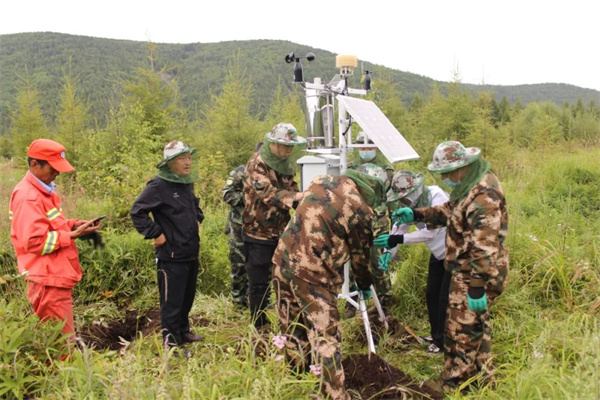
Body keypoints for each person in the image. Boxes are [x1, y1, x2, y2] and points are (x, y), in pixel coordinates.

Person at [390, 141, 509, 391]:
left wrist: (476, 286)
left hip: (476, 272)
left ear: (461, 167)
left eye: (447, 173)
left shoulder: (484, 196)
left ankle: (455, 385)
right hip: (465, 270)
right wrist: (418, 214)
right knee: (476, 327)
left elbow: (484, 246)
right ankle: (483, 380)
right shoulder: (469, 187)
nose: (445, 179)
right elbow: (449, 211)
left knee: (460, 331)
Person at [272, 167, 387, 400]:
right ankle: (333, 394)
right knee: (326, 336)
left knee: (292, 327)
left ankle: (296, 383)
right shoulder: (360, 209)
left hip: (282, 262)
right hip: (314, 274)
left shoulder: (321, 181)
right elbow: (360, 255)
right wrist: (364, 283)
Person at [9, 138, 100, 342]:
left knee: (58, 339)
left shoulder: (43, 191)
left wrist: (73, 225)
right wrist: (71, 235)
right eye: (53, 168)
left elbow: (49, 225)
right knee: (61, 345)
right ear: (35, 164)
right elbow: (34, 241)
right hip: (46, 280)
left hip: (53, 275)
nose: (57, 173)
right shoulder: (28, 197)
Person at [131, 141, 205, 355]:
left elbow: (194, 205)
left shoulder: (185, 182)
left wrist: (198, 218)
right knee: (171, 301)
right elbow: (137, 211)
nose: (188, 162)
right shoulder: (158, 186)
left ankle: (183, 331)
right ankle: (171, 344)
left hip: (190, 250)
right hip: (171, 255)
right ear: (170, 162)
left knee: (187, 297)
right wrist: (156, 233)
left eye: (189, 157)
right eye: (182, 158)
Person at [375, 170, 449, 354]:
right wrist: (388, 253)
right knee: (431, 294)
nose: (404, 202)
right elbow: (399, 228)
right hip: (437, 254)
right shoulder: (411, 206)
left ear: (416, 190)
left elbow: (430, 234)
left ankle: (443, 342)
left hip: (452, 253)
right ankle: (436, 335)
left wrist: (398, 240)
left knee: (444, 298)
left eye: (405, 197)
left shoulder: (437, 197)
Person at [242, 123, 305, 328]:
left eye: (291, 147)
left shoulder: (284, 165)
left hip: (281, 232)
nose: (289, 150)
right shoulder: (257, 164)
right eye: (285, 146)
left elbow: (293, 191)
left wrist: (308, 206)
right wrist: (298, 196)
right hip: (258, 232)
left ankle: (285, 322)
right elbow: (269, 194)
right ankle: (259, 325)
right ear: (273, 144)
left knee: (283, 279)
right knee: (259, 282)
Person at [222, 142, 263, 309]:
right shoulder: (240, 172)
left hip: (261, 230)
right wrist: (250, 197)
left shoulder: (271, 175)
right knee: (239, 266)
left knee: (261, 268)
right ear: (255, 155)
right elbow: (227, 195)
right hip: (239, 228)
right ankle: (239, 304)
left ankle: (259, 303)